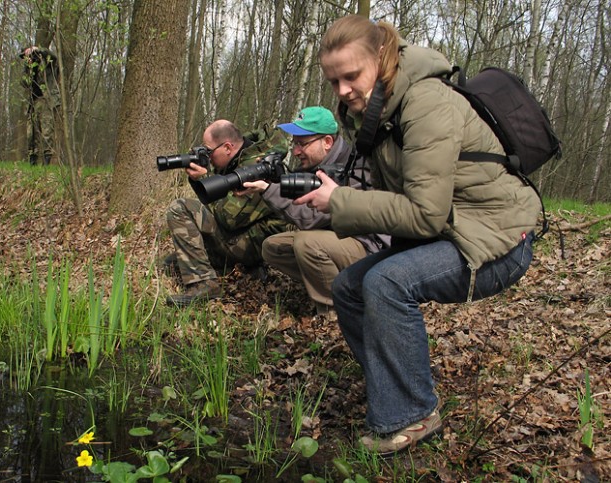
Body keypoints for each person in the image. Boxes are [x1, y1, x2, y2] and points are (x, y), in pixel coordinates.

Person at [295, 15, 541, 455]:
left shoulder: (426, 101)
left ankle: (412, 413)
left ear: (382, 59)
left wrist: (340, 203)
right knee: (348, 286)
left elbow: (426, 215)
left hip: (498, 236)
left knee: (386, 283)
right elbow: (399, 203)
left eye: (351, 76)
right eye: (333, 82)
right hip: (454, 227)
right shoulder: (377, 109)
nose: (343, 90)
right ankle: (392, 387)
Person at [239, 106, 389, 321]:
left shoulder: (355, 166)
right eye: (294, 143)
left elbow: (310, 218)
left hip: (370, 249)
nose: (296, 151)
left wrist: (268, 190)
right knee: (273, 247)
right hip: (341, 240)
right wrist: (267, 179)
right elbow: (296, 201)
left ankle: (336, 313)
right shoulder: (317, 165)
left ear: (327, 142)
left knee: (307, 243)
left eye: (302, 143)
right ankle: (344, 289)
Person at [164, 120, 290, 307]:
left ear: (228, 148)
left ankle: (203, 285)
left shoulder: (257, 167)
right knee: (171, 263)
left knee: (180, 208)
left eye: (209, 151)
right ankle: (246, 270)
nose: (207, 156)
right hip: (244, 235)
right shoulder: (240, 157)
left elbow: (228, 219)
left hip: (258, 244)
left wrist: (205, 178)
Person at [20, 45, 60, 166]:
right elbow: (24, 82)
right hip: (33, 102)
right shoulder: (28, 68)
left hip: (45, 100)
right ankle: (33, 161)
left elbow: (53, 57)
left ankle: (47, 162)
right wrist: (28, 66)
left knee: (47, 131)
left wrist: (39, 51)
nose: (28, 58)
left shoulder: (47, 63)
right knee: (31, 133)